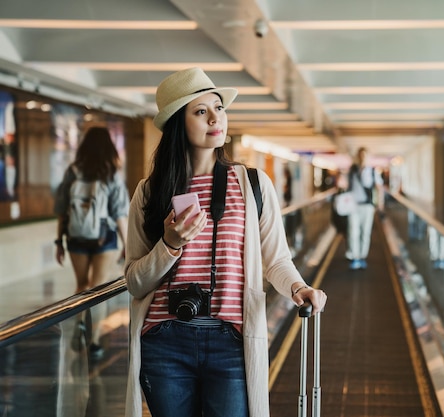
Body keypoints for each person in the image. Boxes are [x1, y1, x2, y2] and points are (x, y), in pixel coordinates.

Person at [123, 67, 327, 417]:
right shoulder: (149, 192)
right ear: (177, 123)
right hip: (164, 342)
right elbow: (135, 281)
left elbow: (276, 259)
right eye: (201, 111)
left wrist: (298, 286)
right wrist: (170, 244)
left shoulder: (252, 184)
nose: (216, 118)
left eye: (219, 108)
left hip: (230, 341)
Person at [54, 126, 129, 359]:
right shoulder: (112, 173)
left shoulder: (72, 171)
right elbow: (119, 213)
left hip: (75, 235)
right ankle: (94, 340)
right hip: (104, 236)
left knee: (81, 285)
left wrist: (59, 241)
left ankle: (79, 323)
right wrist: (127, 244)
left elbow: (62, 211)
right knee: (98, 289)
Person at [346, 147, 384, 270]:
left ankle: (362, 256)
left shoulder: (372, 172)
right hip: (353, 206)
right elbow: (345, 185)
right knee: (353, 231)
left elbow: (379, 188)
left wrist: (380, 204)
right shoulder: (352, 171)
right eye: (360, 155)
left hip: (367, 206)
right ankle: (355, 257)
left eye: (364, 156)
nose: (362, 158)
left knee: (365, 232)